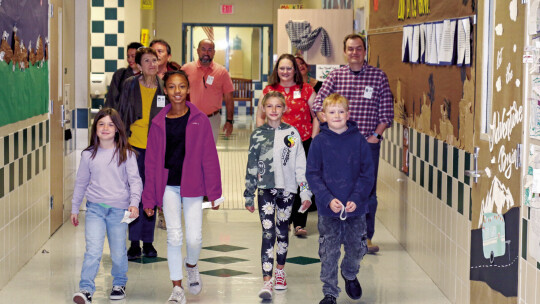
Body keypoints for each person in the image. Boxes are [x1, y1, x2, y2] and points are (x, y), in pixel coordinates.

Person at [142, 70, 222, 304]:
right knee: (174, 237)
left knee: (194, 238)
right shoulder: (158, 123)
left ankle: (192, 266)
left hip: (193, 185)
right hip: (168, 186)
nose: (177, 91)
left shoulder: (200, 119)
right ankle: (177, 287)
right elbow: (151, 163)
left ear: (188, 89)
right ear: (165, 91)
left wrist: (215, 193)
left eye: (182, 86)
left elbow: (209, 157)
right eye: (172, 87)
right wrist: (149, 199)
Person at [312, 34, 394, 253]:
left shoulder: (378, 77)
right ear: (345, 52)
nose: (354, 53)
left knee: (367, 191)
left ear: (365, 51)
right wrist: (328, 129)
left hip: (366, 144)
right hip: (337, 144)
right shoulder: (336, 76)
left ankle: (365, 238)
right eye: (350, 49)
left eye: (358, 49)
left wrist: (375, 136)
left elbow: (386, 112)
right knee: (337, 186)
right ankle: (339, 234)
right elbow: (318, 104)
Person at [306, 94, 375, 304]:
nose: (337, 115)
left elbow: (367, 174)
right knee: (329, 251)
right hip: (329, 209)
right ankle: (330, 292)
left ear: (349, 114)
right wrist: (327, 199)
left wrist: (357, 197)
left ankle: (349, 273)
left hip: (356, 207)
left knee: (357, 247)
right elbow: (312, 174)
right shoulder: (318, 142)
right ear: (323, 116)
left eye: (341, 111)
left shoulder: (359, 140)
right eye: (332, 112)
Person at [245, 91, 312, 300]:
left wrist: (305, 190)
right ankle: (267, 280)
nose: (273, 110)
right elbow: (252, 166)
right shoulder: (257, 135)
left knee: (283, 231)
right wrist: (248, 194)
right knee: (267, 233)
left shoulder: (292, 134)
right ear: (263, 109)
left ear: (284, 109)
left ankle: (280, 271)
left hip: (287, 191)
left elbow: (301, 165)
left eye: (278, 106)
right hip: (265, 190)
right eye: (269, 106)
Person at [71, 108, 142, 304]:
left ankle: (119, 283)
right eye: (101, 124)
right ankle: (86, 289)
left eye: (111, 124)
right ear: (95, 129)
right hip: (95, 209)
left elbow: (135, 181)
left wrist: (134, 203)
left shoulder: (127, 154)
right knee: (93, 250)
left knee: (118, 251)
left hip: (119, 211)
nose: (105, 128)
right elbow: (81, 182)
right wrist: (75, 208)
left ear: (118, 129)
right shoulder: (88, 155)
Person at [257, 53, 318, 237]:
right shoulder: (269, 90)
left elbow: (317, 116)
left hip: (304, 142)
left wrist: (314, 140)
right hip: (277, 144)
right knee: (281, 182)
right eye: (281, 68)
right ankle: (284, 218)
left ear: (295, 70)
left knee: (302, 182)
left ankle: (300, 222)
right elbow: (260, 116)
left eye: (289, 68)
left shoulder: (306, 89)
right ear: (277, 70)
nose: (285, 72)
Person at [117, 47, 167, 260]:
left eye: (154, 60)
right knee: (133, 195)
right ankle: (133, 242)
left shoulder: (164, 87)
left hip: (156, 149)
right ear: (138, 65)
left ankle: (148, 242)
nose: (152, 65)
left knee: (151, 194)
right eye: (146, 61)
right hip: (133, 148)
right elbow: (120, 115)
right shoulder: (130, 85)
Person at [181, 39, 235, 143]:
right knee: (190, 151)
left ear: (214, 52)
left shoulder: (222, 72)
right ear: (197, 51)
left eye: (210, 50)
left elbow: (229, 98)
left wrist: (229, 121)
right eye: (203, 49)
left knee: (209, 154)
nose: (206, 53)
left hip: (212, 119)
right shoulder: (186, 69)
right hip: (190, 118)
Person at [104, 42, 143, 110]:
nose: (130, 59)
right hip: (121, 117)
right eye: (128, 56)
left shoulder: (148, 76)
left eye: (133, 56)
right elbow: (111, 100)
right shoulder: (120, 74)